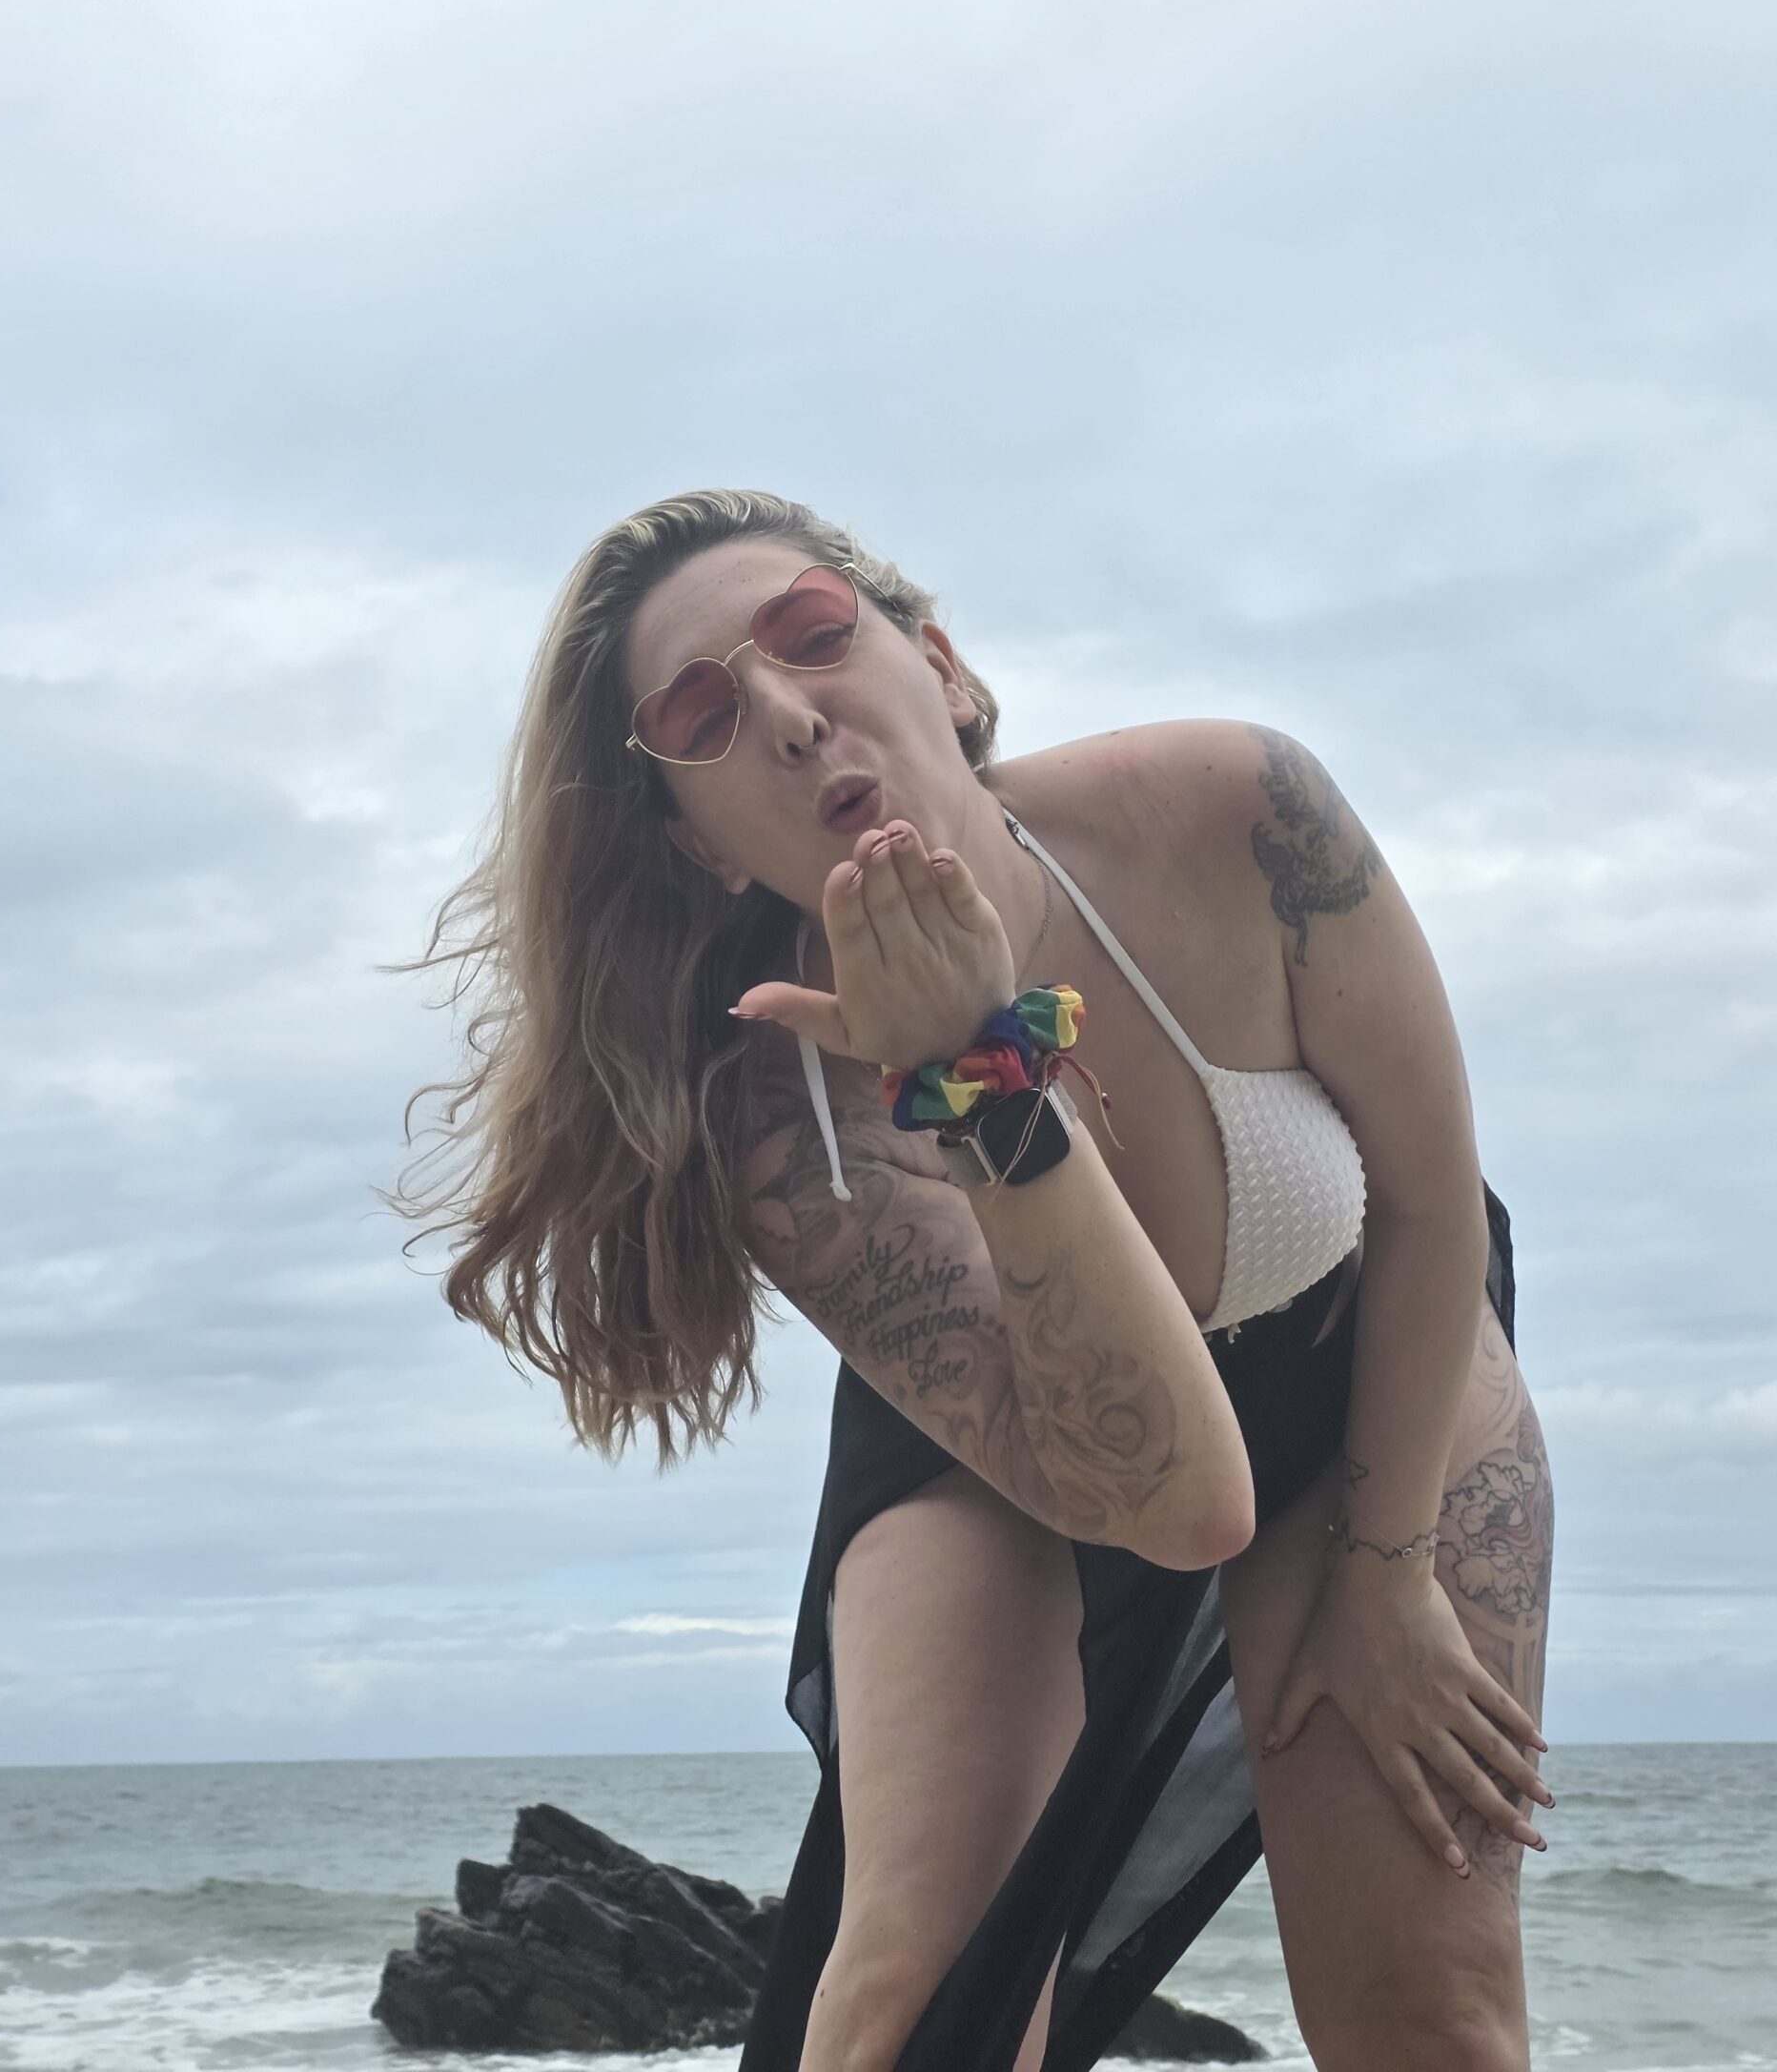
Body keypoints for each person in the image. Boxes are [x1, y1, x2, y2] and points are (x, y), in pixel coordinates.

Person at [388, 486, 1555, 2072]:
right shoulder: (783, 1122)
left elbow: (1428, 1198)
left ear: (937, 664)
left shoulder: (1236, 809)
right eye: (702, 715)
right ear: (697, 845)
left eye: (813, 634)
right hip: (1021, 1423)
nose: (787, 715)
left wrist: (1386, 1573)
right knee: (909, 2002)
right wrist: (974, 1069)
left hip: (1366, 1333)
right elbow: (1174, 1504)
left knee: (1436, 2021)